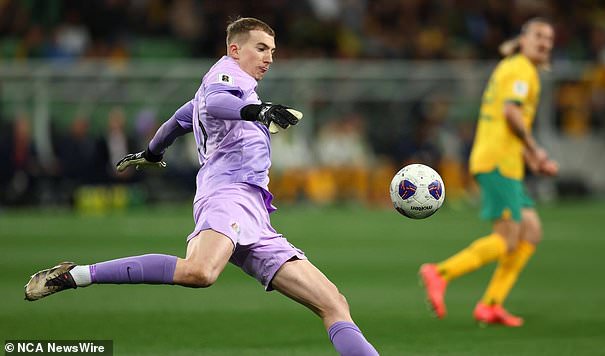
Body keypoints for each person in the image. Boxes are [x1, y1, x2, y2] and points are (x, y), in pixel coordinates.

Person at [24, 17, 379, 356]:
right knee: (200, 272)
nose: (269, 57)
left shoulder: (233, 86)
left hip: (254, 211)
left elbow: (182, 118)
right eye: (261, 48)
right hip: (228, 195)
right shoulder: (225, 76)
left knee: (333, 303)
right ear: (236, 50)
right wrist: (258, 112)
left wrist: (152, 151)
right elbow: (217, 103)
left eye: (272, 50)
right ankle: (76, 276)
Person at [419, 18, 559, 327]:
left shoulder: (513, 66)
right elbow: (511, 114)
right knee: (507, 240)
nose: (545, 42)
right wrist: (535, 150)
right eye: (538, 35)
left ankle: (491, 304)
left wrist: (531, 159)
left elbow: (504, 120)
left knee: (531, 231)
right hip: (498, 163)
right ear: (523, 38)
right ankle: (440, 272)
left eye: (549, 38)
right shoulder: (522, 69)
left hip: (503, 159)